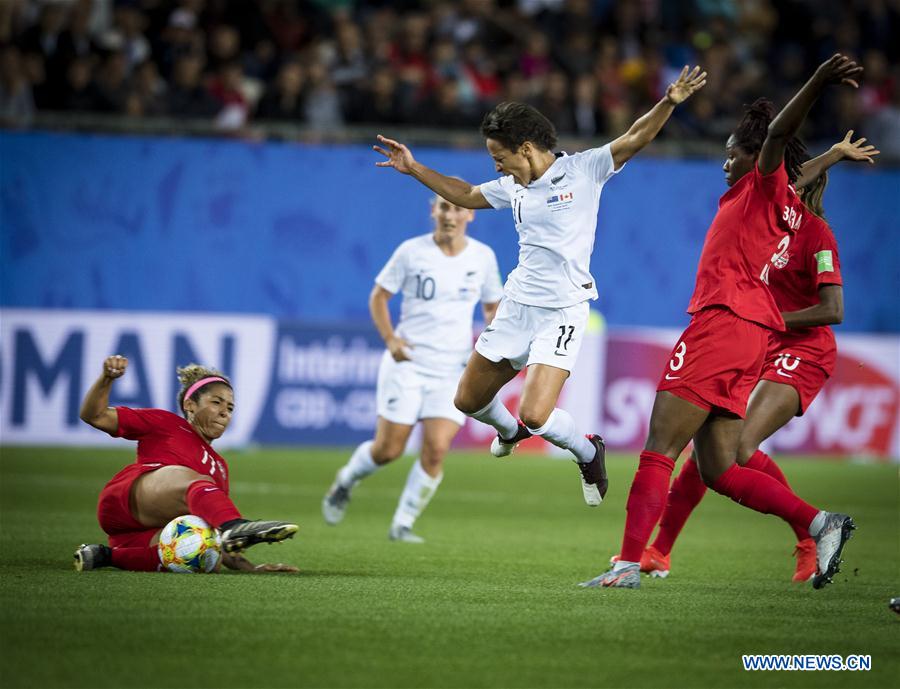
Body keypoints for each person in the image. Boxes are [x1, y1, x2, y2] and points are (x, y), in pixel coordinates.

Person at [581, 54, 863, 590]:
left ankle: (625, 567)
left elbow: (779, 135)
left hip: (724, 322)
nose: (724, 162)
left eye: (731, 154)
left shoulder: (766, 186)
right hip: (753, 336)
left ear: (755, 158)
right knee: (720, 468)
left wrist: (819, 80)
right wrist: (829, 156)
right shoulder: (779, 203)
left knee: (660, 447)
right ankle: (818, 523)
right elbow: (794, 167)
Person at [374, 66, 708, 506]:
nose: (495, 164)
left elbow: (633, 139)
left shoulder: (584, 169)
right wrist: (415, 168)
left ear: (526, 148)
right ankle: (507, 430)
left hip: (563, 309)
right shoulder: (512, 186)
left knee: (536, 414)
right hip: (518, 305)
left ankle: (588, 452)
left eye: (499, 155)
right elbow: (466, 193)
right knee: (468, 400)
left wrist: (668, 102)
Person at [322, 193, 503, 542]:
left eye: (458, 208)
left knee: (436, 449)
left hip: (453, 368)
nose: (450, 215)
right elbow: (379, 296)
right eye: (444, 207)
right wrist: (392, 340)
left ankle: (402, 524)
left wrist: (489, 345)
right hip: (408, 362)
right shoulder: (411, 252)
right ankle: (346, 480)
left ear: (471, 215)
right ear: (433, 210)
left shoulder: (483, 257)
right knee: (388, 450)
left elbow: (493, 308)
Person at [74, 356, 299, 573]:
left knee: (205, 554)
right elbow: (95, 415)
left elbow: (215, 532)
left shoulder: (220, 466)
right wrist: (106, 379)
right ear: (190, 405)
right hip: (126, 500)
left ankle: (105, 556)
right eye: (216, 402)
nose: (224, 412)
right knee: (192, 479)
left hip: (139, 535)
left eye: (230, 408)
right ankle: (234, 526)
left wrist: (252, 569)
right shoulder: (167, 423)